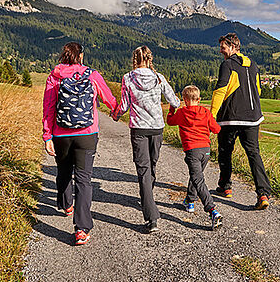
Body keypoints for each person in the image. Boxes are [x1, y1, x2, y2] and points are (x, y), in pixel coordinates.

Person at [42, 41, 117, 245]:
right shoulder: (92, 74)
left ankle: (67, 205)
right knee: (84, 180)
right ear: (81, 56)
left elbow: (48, 108)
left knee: (64, 171)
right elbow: (108, 98)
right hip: (87, 133)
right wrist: (116, 111)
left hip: (61, 134)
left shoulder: (54, 76)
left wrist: (47, 135)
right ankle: (82, 229)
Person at [111, 45, 180, 233]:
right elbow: (174, 100)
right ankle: (148, 201)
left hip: (139, 129)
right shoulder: (159, 78)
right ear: (150, 59)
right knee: (152, 165)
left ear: (135, 59)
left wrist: (115, 115)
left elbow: (124, 105)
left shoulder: (128, 78)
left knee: (143, 170)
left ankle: (151, 215)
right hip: (157, 128)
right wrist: (176, 105)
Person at [210, 33, 272, 210]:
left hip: (230, 117)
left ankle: (225, 186)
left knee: (224, 151)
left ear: (232, 46)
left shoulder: (227, 65)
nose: (221, 51)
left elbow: (220, 91)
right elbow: (257, 89)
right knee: (254, 154)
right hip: (253, 117)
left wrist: (211, 115)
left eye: (223, 47)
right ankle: (263, 194)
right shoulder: (253, 64)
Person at [166, 85, 223, 230]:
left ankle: (212, 210)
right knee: (196, 176)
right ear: (199, 99)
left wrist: (172, 107)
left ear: (184, 100)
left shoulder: (182, 112)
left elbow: (170, 121)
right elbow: (216, 129)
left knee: (198, 179)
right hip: (206, 150)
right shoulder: (205, 112)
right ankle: (190, 201)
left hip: (192, 151)